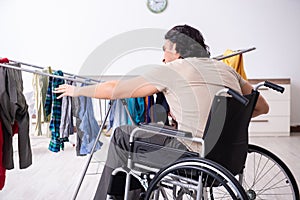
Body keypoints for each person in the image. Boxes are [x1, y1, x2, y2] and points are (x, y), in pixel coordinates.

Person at [55, 24, 269, 199]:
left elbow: (115, 89)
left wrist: (77, 90)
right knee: (149, 138)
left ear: (176, 49)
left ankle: (112, 197)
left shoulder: (174, 69)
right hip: (229, 159)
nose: (163, 57)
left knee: (122, 135)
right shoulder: (226, 69)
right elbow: (261, 107)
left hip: (193, 157)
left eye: (164, 49)